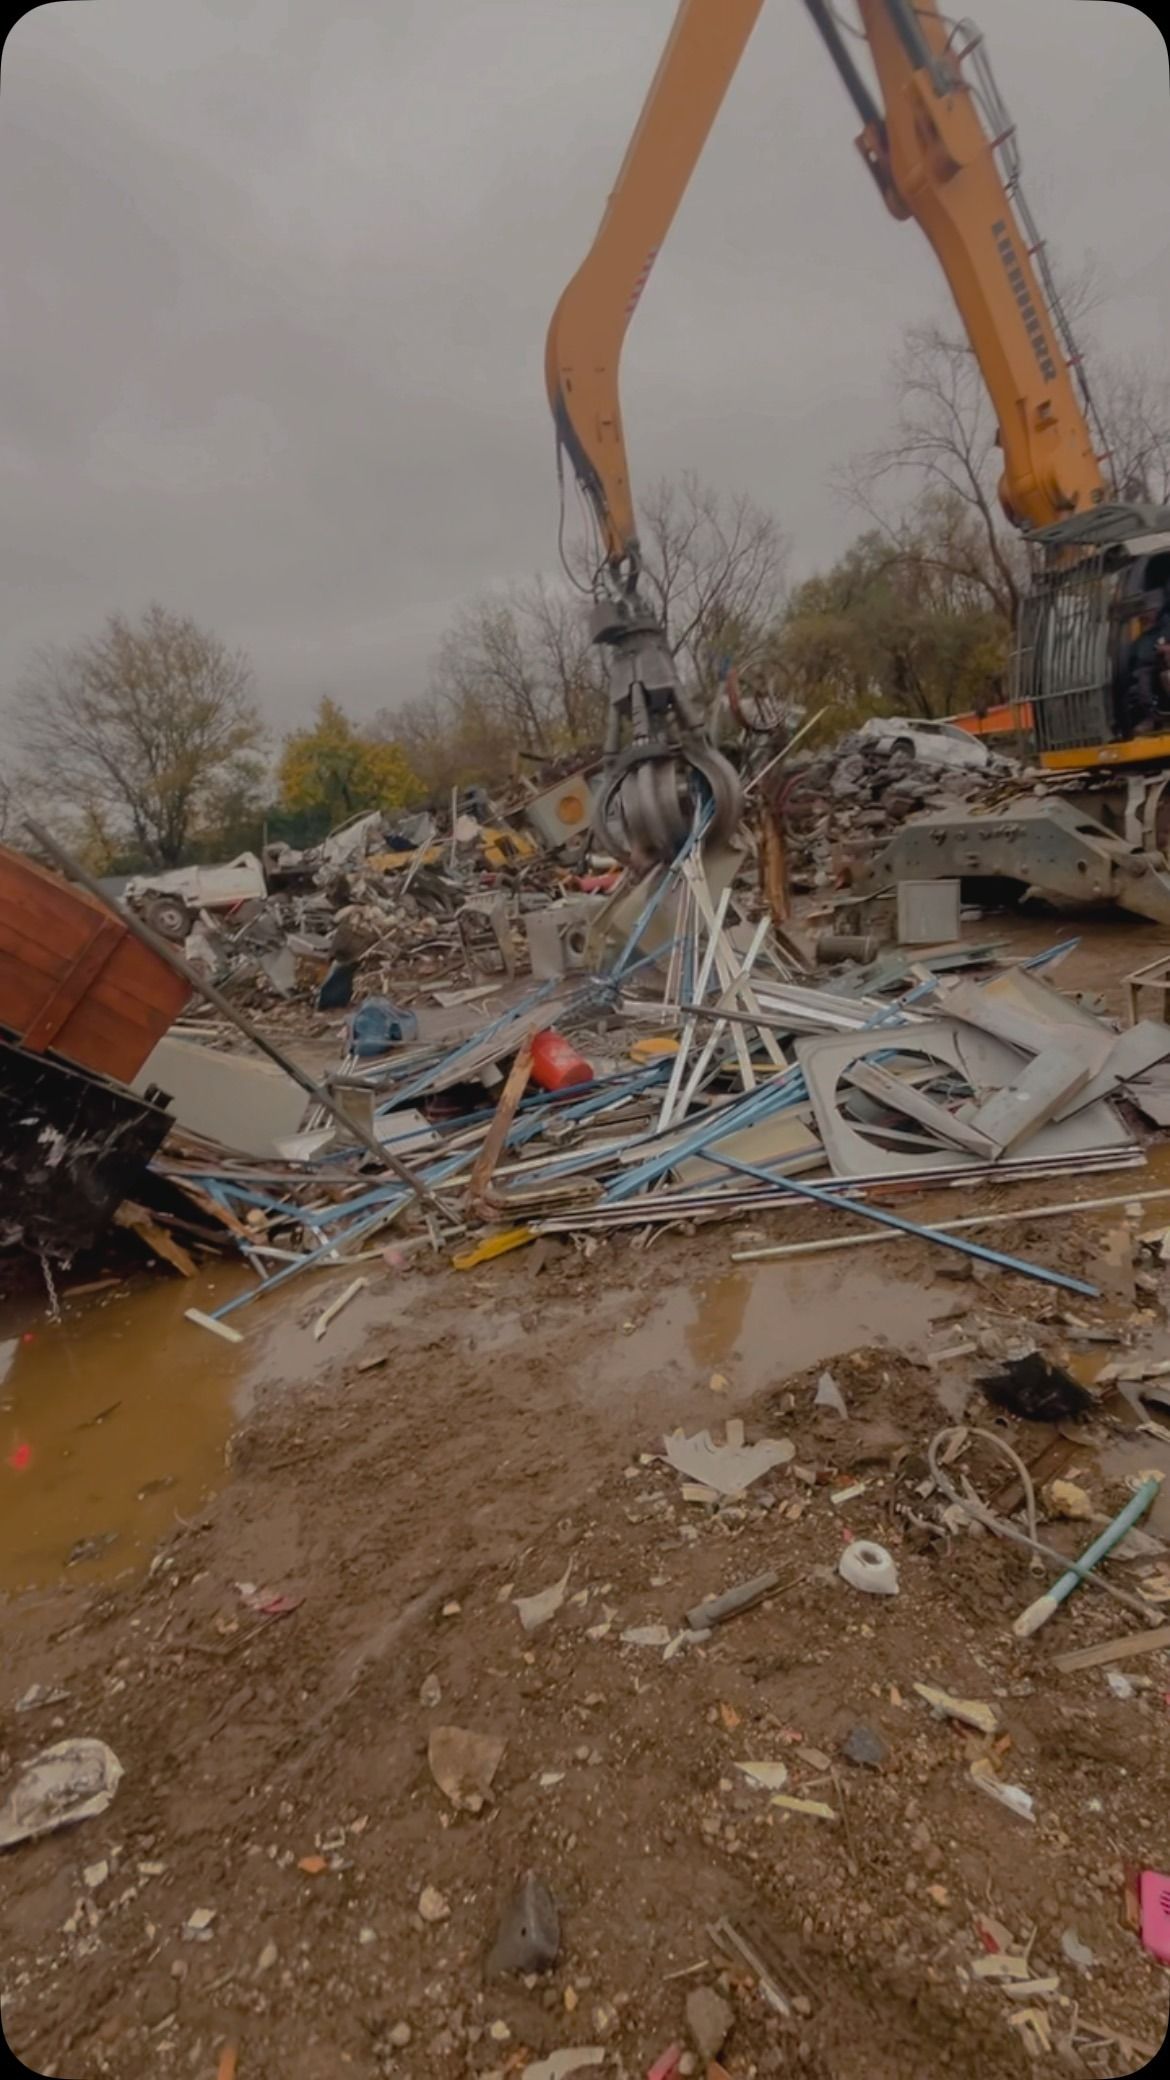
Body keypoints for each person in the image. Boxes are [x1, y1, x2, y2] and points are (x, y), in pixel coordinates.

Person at [1127, 593, 1170, 735]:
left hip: (1164, 661)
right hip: (1152, 663)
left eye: (1150, 610)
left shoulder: (1165, 623)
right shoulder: (1144, 637)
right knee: (1142, 680)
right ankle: (1153, 718)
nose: (1146, 614)